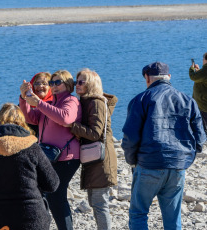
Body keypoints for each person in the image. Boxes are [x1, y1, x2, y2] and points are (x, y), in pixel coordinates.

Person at [121, 62, 206, 230]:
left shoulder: (141, 99)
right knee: (173, 218)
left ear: (147, 78)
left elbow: (130, 137)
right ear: (169, 78)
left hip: (148, 164)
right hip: (177, 166)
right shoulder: (187, 100)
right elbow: (200, 137)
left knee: (139, 213)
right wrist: (187, 157)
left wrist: (132, 160)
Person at [19, 70, 82, 230]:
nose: (53, 86)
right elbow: (30, 118)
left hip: (67, 157)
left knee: (56, 195)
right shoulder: (51, 102)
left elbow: (66, 118)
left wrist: (39, 103)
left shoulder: (71, 100)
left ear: (68, 84)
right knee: (53, 196)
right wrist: (24, 98)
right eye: (51, 83)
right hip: (50, 157)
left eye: (57, 82)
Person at [66, 69, 118, 230]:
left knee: (99, 203)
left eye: (82, 82)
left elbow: (95, 133)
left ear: (92, 84)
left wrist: (71, 126)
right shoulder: (87, 102)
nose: (77, 85)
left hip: (101, 160)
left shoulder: (95, 103)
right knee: (96, 203)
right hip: (95, 158)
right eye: (76, 82)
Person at [189, 52, 207, 134]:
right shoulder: (204, 71)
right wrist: (199, 71)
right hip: (203, 104)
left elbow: (193, 76)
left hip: (203, 105)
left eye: (203, 59)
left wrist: (192, 69)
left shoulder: (205, 70)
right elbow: (202, 77)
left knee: (203, 126)